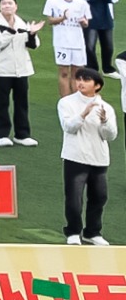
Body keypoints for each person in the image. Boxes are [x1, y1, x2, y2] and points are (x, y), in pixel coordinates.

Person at [59, 66, 114, 246]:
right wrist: (83, 114)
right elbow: (68, 127)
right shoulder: (66, 103)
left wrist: (105, 121)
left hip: (99, 158)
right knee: (74, 197)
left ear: (97, 86)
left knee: (99, 197)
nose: (80, 83)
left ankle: (93, 232)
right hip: (75, 156)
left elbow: (110, 136)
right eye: (79, 79)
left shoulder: (106, 107)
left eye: (86, 80)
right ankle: (73, 231)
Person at [0, 0, 38, 146]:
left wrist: (32, 34)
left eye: (10, 3)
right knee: (1, 103)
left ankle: (22, 134)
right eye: (4, 4)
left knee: (22, 102)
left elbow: (33, 45)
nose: (7, 6)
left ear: (16, 6)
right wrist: (11, 31)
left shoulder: (23, 23)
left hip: (22, 69)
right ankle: (1, 134)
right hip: (2, 69)